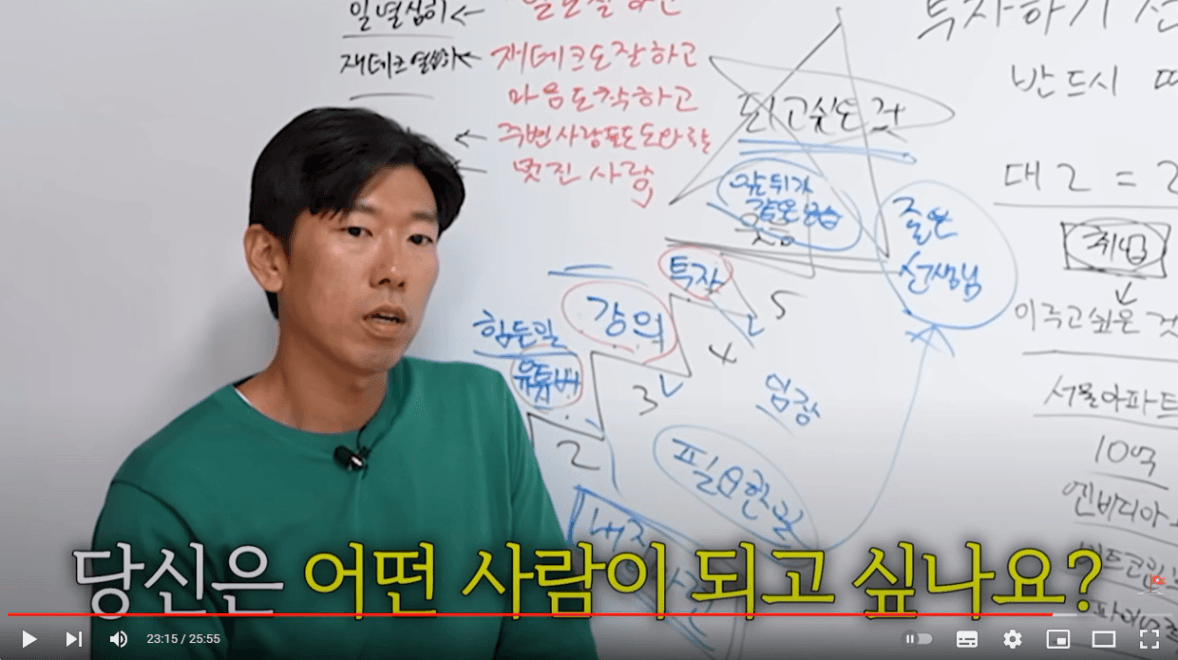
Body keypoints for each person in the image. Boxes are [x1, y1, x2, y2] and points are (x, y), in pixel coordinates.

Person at [86, 107, 599, 660]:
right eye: (358, 231)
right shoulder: (165, 493)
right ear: (269, 258)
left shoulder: (479, 411)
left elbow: (554, 636)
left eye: (419, 238)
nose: (394, 271)